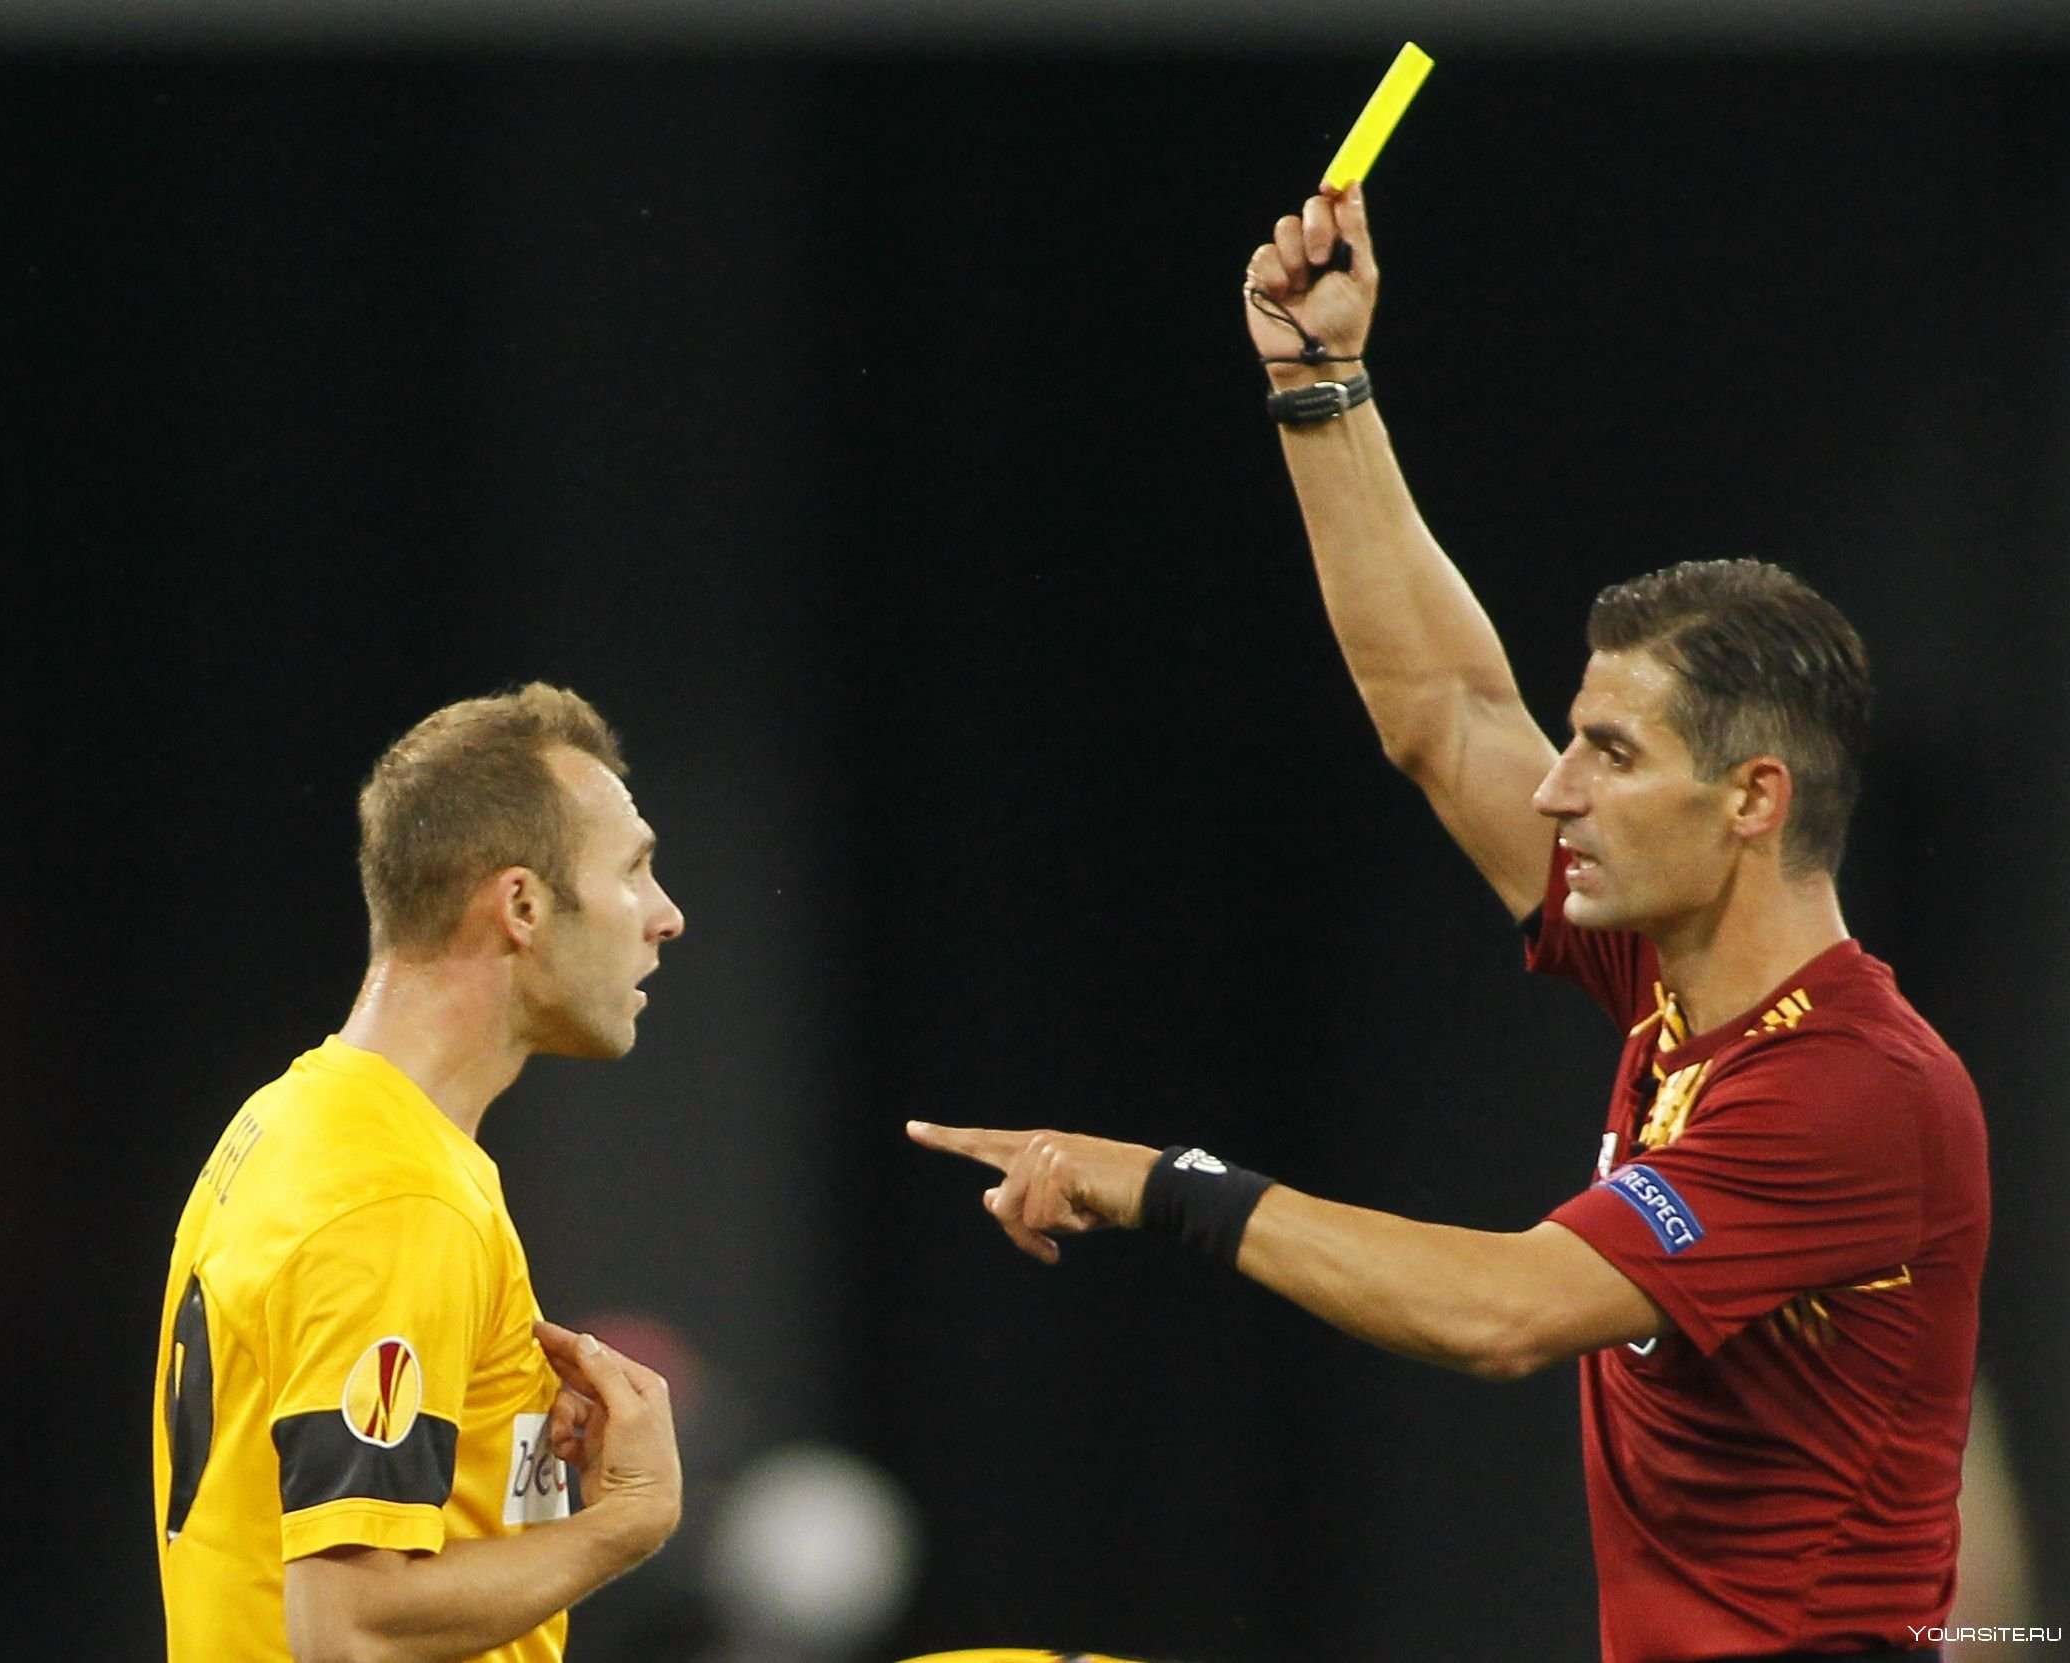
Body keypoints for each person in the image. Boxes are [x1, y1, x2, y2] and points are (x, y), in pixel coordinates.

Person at [908, 186, 1988, 1663]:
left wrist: (1172, 1184)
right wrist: (1320, 385)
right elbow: (1446, 712)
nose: (1555, 786)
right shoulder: (1674, 979)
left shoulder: (1856, 1090)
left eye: (1611, 753)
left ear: (1752, 797)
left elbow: (1503, 1310)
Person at [153, 682, 688, 1663]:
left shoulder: (302, 1120)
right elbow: (349, 1627)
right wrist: (626, 1522)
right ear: (522, 905)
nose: (667, 916)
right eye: (635, 870)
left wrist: (512, 1440)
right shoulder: (395, 1190)